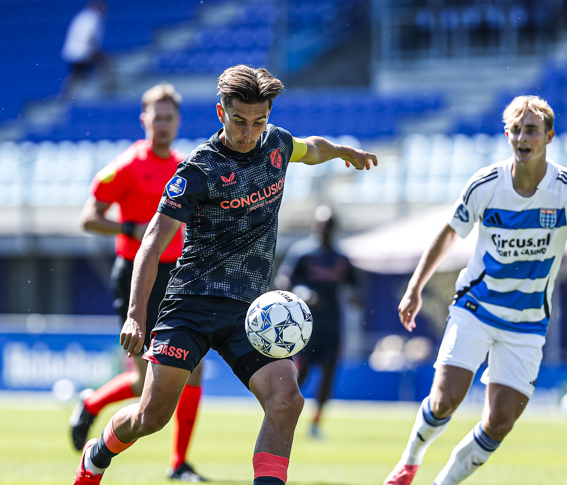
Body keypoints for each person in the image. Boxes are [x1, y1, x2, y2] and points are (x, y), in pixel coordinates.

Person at [73, 64, 378, 485]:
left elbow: (313, 147)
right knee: (151, 416)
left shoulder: (277, 144)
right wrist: (135, 316)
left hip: (248, 312)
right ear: (221, 113)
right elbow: (151, 245)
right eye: (239, 121)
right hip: (190, 306)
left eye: (259, 121)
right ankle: (97, 453)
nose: (249, 132)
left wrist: (345, 152)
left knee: (286, 398)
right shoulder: (198, 168)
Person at [383, 95, 567, 485]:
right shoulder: (485, 184)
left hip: (525, 324)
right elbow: (448, 234)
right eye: (517, 130)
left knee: (500, 422)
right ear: (507, 135)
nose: (524, 137)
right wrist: (415, 287)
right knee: (444, 402)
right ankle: (409, 462)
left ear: (549, 136)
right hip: (475, 307)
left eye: (532, 130)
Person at [72, 82, 207, 482]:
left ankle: (178, 463)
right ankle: (92, 403)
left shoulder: (186, 167)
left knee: (191, 367)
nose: (162, 125)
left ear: (177, 120)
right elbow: (88, 217)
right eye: (156, 117)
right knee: (143, 380)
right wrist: (127, 225)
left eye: (169, 118)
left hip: (176, 275)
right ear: (144, 119)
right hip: (135, 274)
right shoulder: (126, 166)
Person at [275, 205, 357, 439]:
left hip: (333, 324)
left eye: (330, 225)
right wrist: (303, 291)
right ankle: (282, 412)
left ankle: (315, 423)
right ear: (315, 225)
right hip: (305, 324)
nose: (326, 230)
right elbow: (284, 281)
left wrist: (355, 298)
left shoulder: (341, 257)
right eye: (323, 225)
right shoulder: (303, 252)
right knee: (301, 372)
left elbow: (355, 286)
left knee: (329, 373)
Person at [61, 1, 113, 96]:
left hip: (74, 51)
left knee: (77, 74)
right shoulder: (93, 17)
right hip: (83, 51)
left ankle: (67, 95)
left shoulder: (82, 15)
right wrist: (96, 52)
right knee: (105, 65)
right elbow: (90, 37)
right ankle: (107, 90)